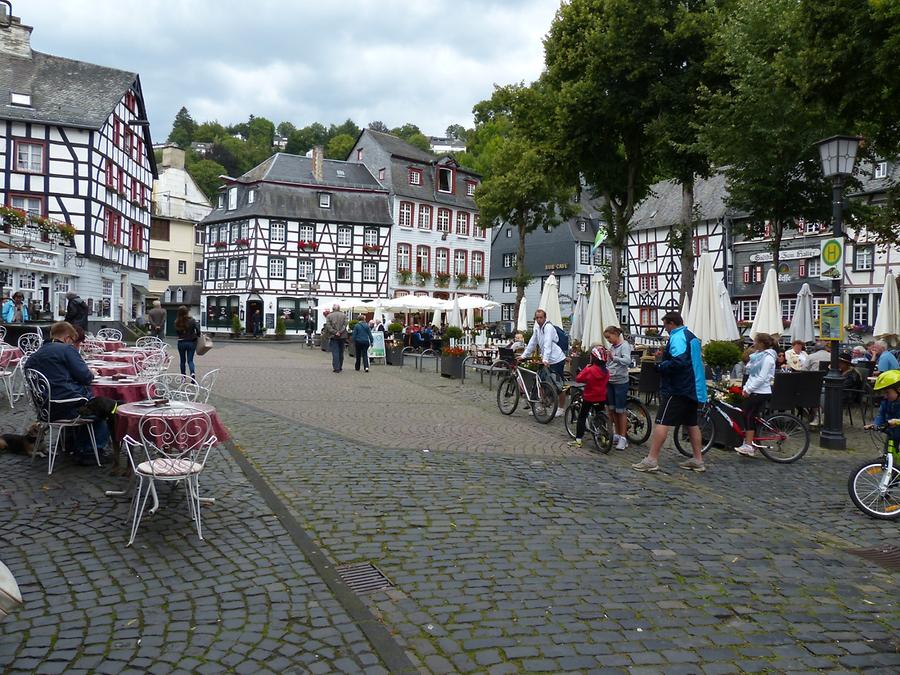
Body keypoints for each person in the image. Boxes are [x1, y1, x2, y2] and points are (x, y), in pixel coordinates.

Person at [24, 321, 109, 465]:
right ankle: (89, 451)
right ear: (67, 338)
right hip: (68, 407)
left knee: (88, 402)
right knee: (106, 408)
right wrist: (91, 373)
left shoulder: (34, 356)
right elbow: (85, 377)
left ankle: (72, 444)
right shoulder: (66, 350)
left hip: (46, 410)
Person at [633, 312, 707, 472]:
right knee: (692, 424)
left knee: (662, 421)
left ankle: (651, 460)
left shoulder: (678, 336)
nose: (664, 329)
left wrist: (660, 366)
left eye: (665, 325)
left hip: (678, 388)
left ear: (671, 323)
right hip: (693, 387)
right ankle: (697, 459)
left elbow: (679, 362)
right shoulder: (691, 336)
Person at [734, 333, 777, 457]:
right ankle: (750, 442)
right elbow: (752, 375)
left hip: (761, 391)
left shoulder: (768, 358)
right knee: (747, 415)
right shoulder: (758, 356)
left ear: (762, 343)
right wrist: (746, 388)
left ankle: (748, 445)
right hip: (754, 390)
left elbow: (761, 377)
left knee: (749, 415)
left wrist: (749, 389)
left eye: (756, 341)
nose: (754, 344)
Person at [520, 309, 567, 416]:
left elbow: (547, 344)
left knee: (559, 384)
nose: (539, 320)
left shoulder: (548, 327)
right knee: (540, 382)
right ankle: (541, 407)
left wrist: (545, 359)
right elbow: (532, 342)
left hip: (557, 359)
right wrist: (523, 355)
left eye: (541, 317)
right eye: (537, 318)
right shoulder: (537, 328)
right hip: (546, 359)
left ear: (545, 317)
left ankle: (561, 408)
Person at [568, 347, 610, 448]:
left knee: (582, 417)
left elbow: (578, 379)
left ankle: (578, 440)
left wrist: (585, 368)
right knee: (600, 415)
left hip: (589, 397)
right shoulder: (606, 371)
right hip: (601, 397)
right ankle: (603, 436)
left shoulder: (589, 369)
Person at [603, 325, 633, 451]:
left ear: (615, 334)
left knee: (620, 411)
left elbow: (627, 361)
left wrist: (613, 357)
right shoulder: (612, 347)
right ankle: (616, 433)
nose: (608, 340)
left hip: (620, 382)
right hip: (610, 380)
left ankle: (623, 437)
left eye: (609, 337)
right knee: (612, 409)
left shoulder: (624, 345)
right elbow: (609, 363)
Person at [865, 370, 900, 442]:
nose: (885, 396)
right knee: (887, 452)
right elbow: (881, 415)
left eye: (887, 392)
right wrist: (875, 425)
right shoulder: (886, 402)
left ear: (898, 390)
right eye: (883, 393)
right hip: (892, 435)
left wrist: (897, 421)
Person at [174, 305, 200, 379]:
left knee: (182, 361)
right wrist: (197, 335)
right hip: (191, 342)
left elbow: (177, 333)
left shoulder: (177, 322)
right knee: (190, 360)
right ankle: (192, 373)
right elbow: (198, 330)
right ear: (187, 312)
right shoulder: (192, 320)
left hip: (181, 342)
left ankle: (183, 377)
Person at [322, 303, 348, 373]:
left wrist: (335, 332)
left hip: (333, 336)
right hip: (342, 336)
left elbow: (328, 326)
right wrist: (340, 331)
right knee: (341, 352)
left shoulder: (329, 316)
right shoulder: (344, 315)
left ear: (333, 309)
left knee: (335, 352)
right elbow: (345, 325)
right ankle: (340, 366)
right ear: (339, 308)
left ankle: (336, 367)